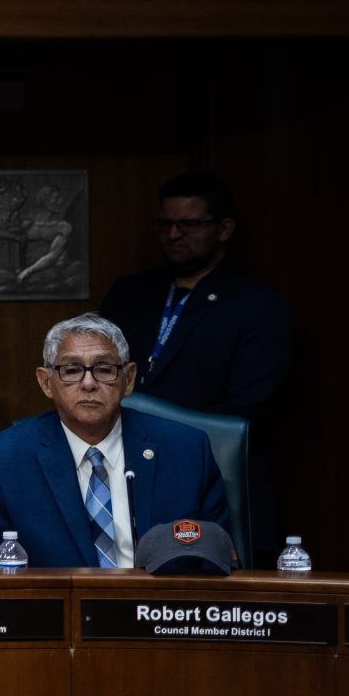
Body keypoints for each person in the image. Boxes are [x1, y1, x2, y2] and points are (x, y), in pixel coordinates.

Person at [99, 171, 291, 557]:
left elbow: (251, 407)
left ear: (224, 229)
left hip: (213, 474)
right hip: (126, 468)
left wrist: (160, 428)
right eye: (165, 224)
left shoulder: (256, 304)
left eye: (189, 224)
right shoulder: (129, 294)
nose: (174, 235)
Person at [0, 314, 232, 569]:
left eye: (104, 369)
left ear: (129, 379)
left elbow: (218, 559)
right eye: (71, 370)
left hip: (164, 598)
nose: (88, 383)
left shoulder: (186, 450)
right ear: (46, 382)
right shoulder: (5, 461)